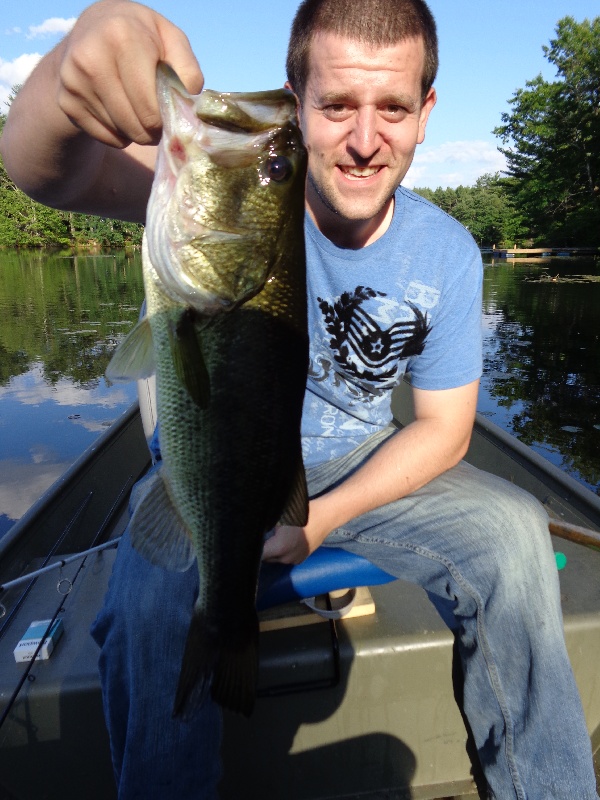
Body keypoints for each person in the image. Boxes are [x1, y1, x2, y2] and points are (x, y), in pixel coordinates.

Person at [1, 1, 598, 798]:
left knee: (520, 533)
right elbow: (42, 168)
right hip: (203, 471)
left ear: (425, 113)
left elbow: (447, 430)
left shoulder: (448, 253)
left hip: (353, 466)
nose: (362, 139)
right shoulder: (218, 195)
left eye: (391, 107)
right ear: (297, 99)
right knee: (146, 596)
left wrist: (322, 516)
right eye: (336, 105)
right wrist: (69, 70)